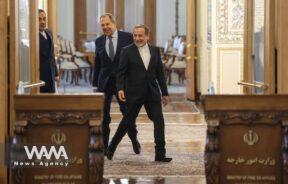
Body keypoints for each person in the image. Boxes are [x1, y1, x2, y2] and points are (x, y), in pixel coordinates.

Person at [106, 25, 172, 162]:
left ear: (147, 36)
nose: (137, 38)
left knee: (159, 121)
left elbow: (160, 73)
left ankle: (160, 154)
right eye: (135, 35)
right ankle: (111, 148)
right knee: (127, 122)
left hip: (152, 93)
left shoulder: (155, 50)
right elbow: (121, 73)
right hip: (134, 93)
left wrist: (165, 93)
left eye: (140, 35)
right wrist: (120, 89)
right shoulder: (127, 51)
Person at [92, 13, 140, 153]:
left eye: (107, 24)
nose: (105, 27)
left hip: (123, 84)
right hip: (104, 83)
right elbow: (97, 63)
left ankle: (134, 140)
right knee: (104, 116)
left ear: (114, 24)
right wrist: (95, 84)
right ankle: (105, 146)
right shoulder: (99, 41)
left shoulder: (127, 37)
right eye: (103, 25)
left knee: (128, 114)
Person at [38, 9, 59, 93]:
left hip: (51, 73)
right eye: (39, 19)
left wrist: (56, 73)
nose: (42, 22)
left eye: (44, 19)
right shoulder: (33, 36)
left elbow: (52, 55)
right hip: (41, 76)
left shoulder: (49, 32)